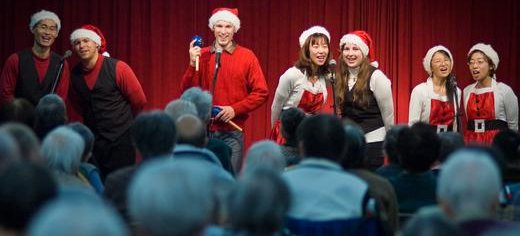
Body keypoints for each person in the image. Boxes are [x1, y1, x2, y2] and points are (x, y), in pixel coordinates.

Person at [181, 8, 269, 173]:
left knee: (229, 180)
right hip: (202, 131)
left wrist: (234, 109)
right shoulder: (202, 54)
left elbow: (261, 92)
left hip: (231, 133)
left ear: (235, 29)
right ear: (212, 28)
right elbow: (187, 93)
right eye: (219, 26)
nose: (223, 31)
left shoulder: (247, 56)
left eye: (228, 27)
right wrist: (192, 64)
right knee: (203, 180)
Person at [68, 24, 147, 178]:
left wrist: (123, 122)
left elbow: (139, 101)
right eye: (77, 42)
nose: (81, 45)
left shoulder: (118, 68)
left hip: (121, 140)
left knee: (121, 186)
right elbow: (77, 104)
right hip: (94, 142)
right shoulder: (75, 75)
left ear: (97, 44)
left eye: (86, 40)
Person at [336, 30, 394, 170]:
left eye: (355, 49)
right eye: (346, 49)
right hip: (348, 142)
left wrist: (391, 145)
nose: (350, 53)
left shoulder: (377, 77)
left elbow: (388, 114)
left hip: (372, 142)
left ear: (364, 52)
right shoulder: (340, 77)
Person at [270, 26, 331, 144]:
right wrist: (276, 132)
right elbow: (276, 107)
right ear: (306, 50)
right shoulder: (292, 75)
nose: (321, 51)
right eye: (316, 46)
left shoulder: (325, 77)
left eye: (325, 46)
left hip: (310, 135)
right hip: (289, 136)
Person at [0, 10, 69, 107]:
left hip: (48, 119)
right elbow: (6, 94)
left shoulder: (61, 63)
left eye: (52, 29)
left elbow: (60, 98)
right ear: (33, 29)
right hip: (19, 118)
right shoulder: (15, 59)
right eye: (43, 27)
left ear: (56, 34)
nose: (47, 32)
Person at [463, 43, 518, 145]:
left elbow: (513, 126)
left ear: (491, 66)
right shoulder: (467, 91)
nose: (475, 66)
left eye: (480, 62)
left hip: (496, 144)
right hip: (471, 142)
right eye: (471, 63)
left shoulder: (504, 90)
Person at [409, 45, 462, 133]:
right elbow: (413, 124)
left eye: (446, 60)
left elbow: (456, 124)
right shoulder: (420, 91)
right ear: (431, 67)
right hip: (427, 142)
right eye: (438, 61)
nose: (443, 64)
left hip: (448, 142)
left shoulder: (456, 91)